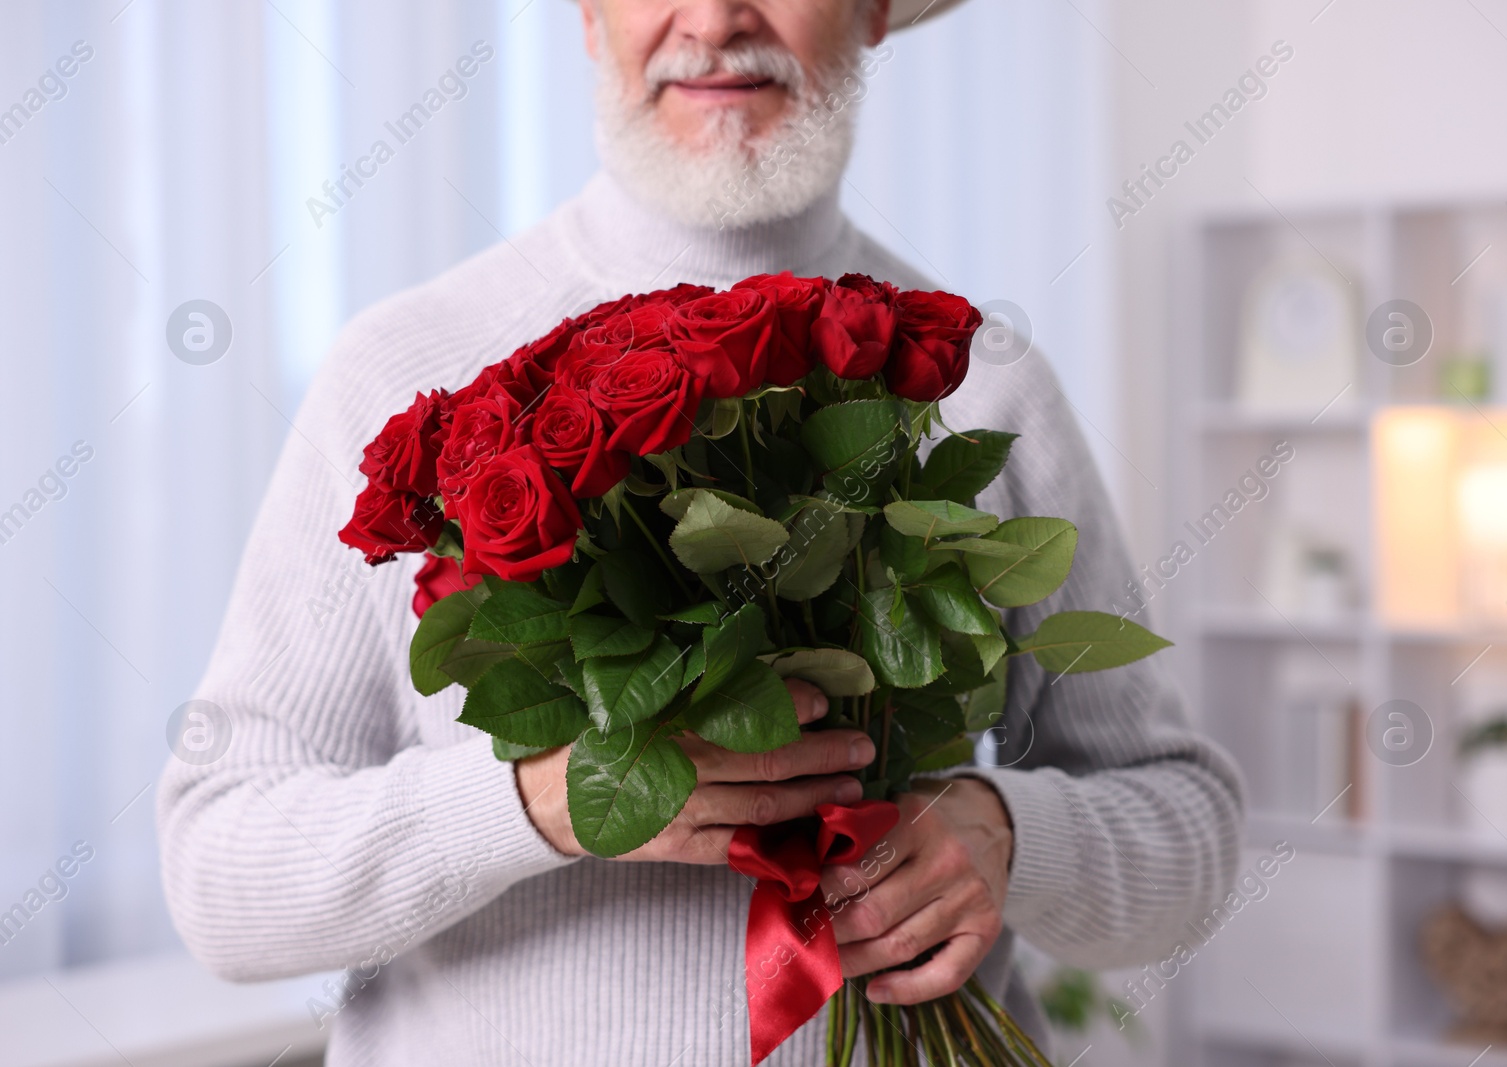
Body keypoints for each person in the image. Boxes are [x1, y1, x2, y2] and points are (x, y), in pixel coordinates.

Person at [157, 1, 1243, 1064]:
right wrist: (542, 802)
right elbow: (217, 875)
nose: (717, 18)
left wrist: (1010, 834)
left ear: (872, 13)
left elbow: (1189, 833)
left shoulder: (980, 382)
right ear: (587, 17)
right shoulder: (399, 375)